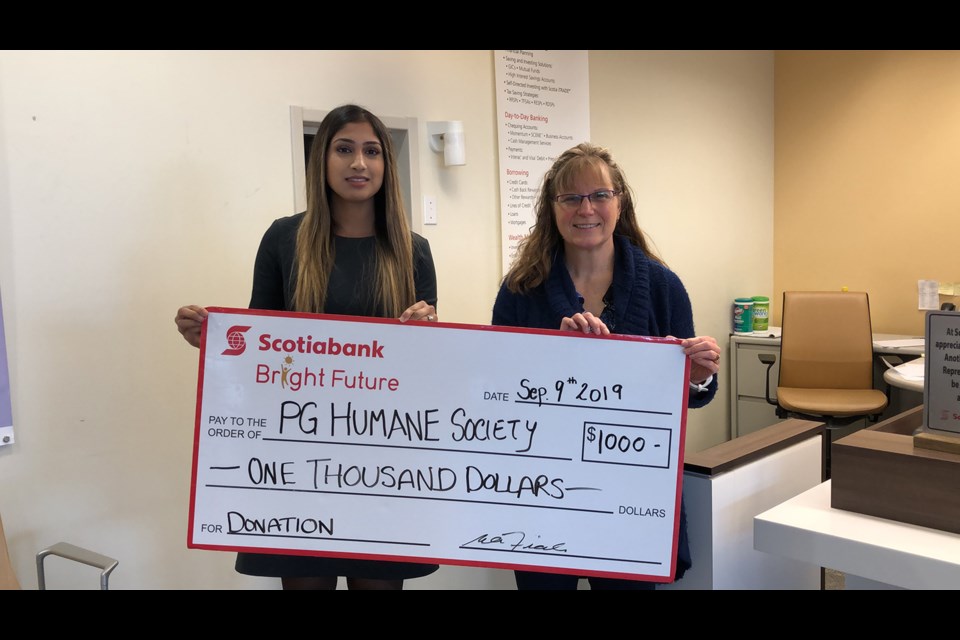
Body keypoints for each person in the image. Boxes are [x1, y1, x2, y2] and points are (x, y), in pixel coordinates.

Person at [175, 104, 440, 590]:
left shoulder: (412, 248)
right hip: (297, 454)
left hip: (382, 457)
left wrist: (429, 332)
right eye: (344, 149)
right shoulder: (284, 239)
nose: (358, 163)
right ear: (321, 160)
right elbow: (258, 346)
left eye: (371, 151)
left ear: (386, 165)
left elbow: (421, 370)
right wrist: (213, 341)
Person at [491, 142, 721, 590]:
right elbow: (496, 392)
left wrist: (698, 375)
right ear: (552, 209)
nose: (586, 209)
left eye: (599, 195)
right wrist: (552, 360)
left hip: (630, 495)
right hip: (542, 491)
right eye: (571, 198)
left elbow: (694, 392)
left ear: (620, 201)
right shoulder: (521, 290)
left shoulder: (661, 285)